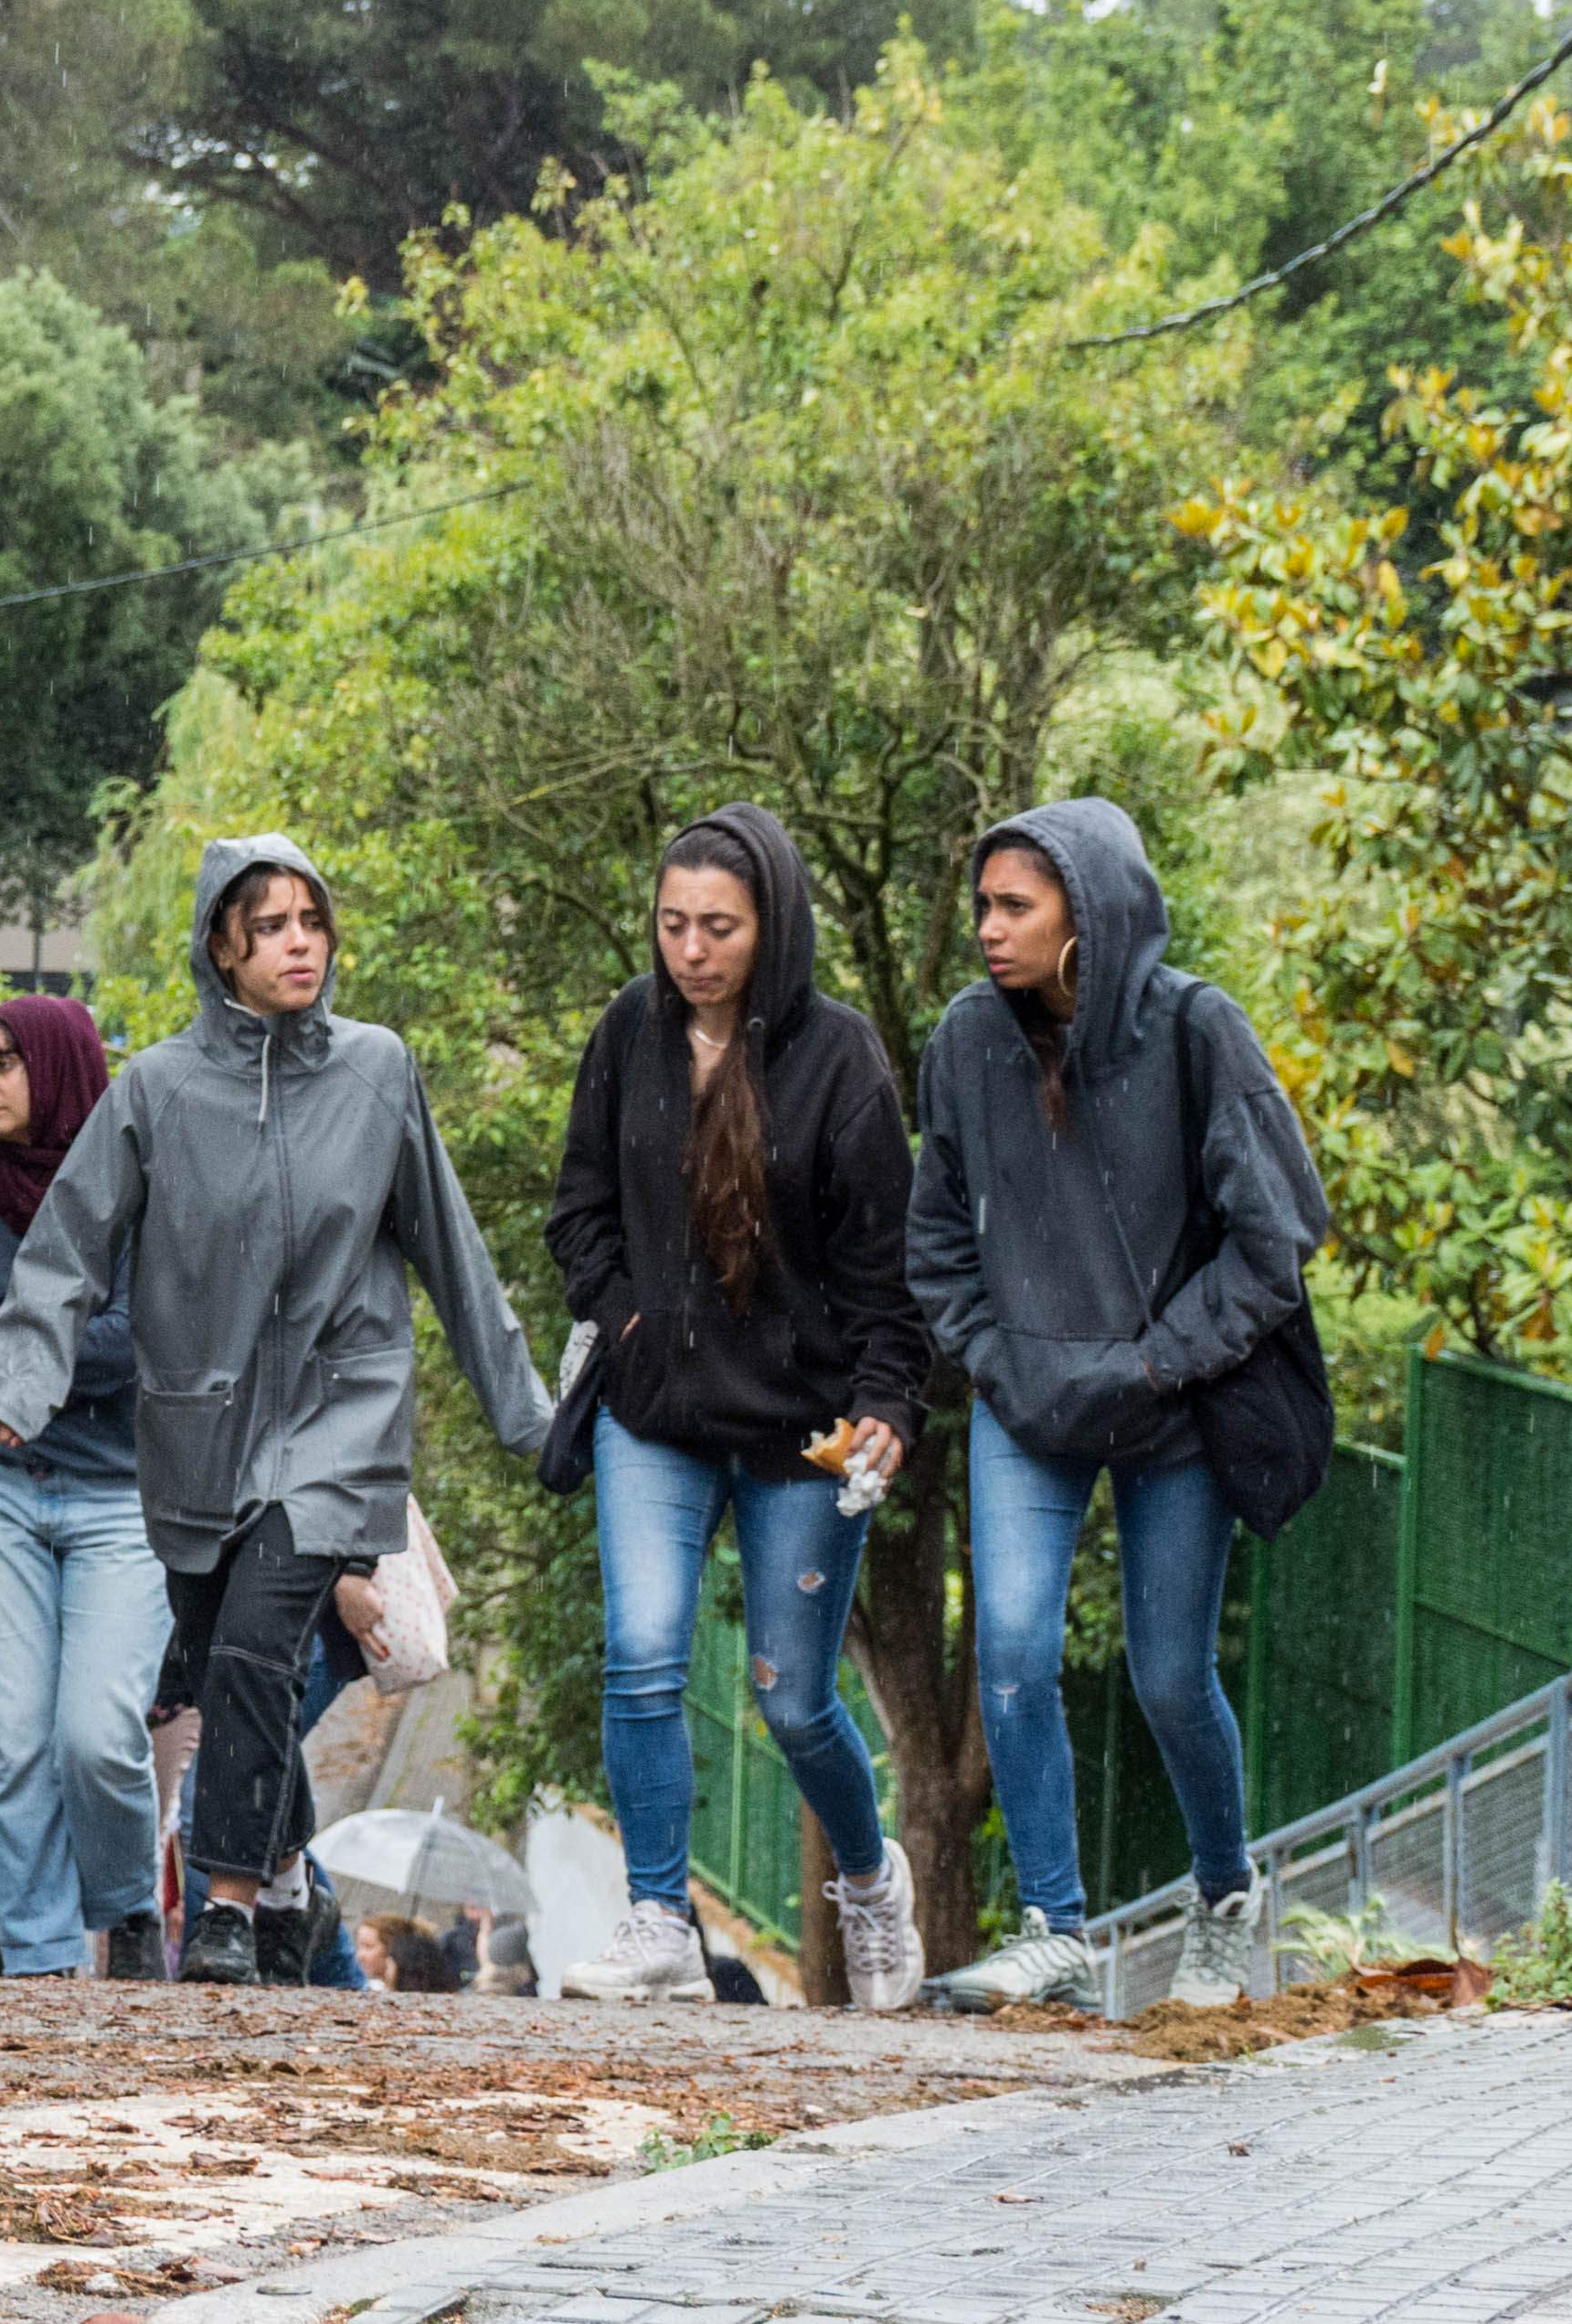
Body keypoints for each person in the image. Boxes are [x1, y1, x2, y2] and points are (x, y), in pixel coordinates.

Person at [0, 837, 545, 1989]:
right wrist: (20, 1385)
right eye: (271, 926)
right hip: (200, 1436)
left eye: (311, 922)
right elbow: (69, 1246)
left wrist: (531, 1416)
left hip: (341, 1422)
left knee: (253, 1648)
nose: (299, 944)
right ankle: (292, 1879)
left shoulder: (379, 1070)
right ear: (221, 949)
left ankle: (229, 1905)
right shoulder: (156, 1091)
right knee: (222, 1662)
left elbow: (454, 1252)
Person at [906, 796, 1327, 2013]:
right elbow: (936, 1236)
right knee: (1011, 1654)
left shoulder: (1197, 1030)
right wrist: (996, 1358)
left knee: (1170, 1677)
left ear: (1086, 916)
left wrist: (1155, 1364)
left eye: (1015, 906)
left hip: (1174, 1409)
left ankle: (1224, 1898)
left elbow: (1277, 1239)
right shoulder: (966, 1042)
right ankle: (1055, 1932)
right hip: (1028, 1403)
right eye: (983, 905)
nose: (988, 928)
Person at [540, 805, 933, 2010]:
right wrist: (627, 1317)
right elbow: (579, 1209)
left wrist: (888, 1400)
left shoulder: (843, 1060)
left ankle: (869, 1882)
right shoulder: (630, 1031)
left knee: (792, 1698)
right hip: (655, 1412)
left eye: (719, 926)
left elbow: (889, 1271)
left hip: (800, 1428)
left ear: (773, 926)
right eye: (673, 925)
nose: (692, 950)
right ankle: (660, 1918)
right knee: (643, 1657)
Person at [0, 996, 168, 1978]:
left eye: (5, 1064)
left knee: (96, 1736)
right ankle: (42, 1964)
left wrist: (14, 1351)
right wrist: (59, 1350)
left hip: (117, 1499)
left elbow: (139, 1344)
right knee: (11, 1745)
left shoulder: (134, 1196)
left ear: (58, 1068)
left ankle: (127, 1903)